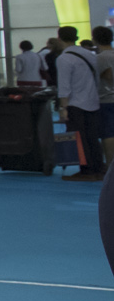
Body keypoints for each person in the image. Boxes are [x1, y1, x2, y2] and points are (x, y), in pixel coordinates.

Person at [53, 30, 105, 183]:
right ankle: (98, 168)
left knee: (79, 139)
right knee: (92, 137)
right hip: (92, 101)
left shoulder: (64, 58)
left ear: (59, 39)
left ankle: (86, 170)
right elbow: (97, 78)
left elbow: (64, 85)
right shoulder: (89, 54)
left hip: (75, 104)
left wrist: (63, 108)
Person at [94, 26, 114, 167]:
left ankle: (110, 166)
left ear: (95, 40)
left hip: (106, 99)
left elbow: (105, 77)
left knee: (108, 134)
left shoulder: (99, 58)